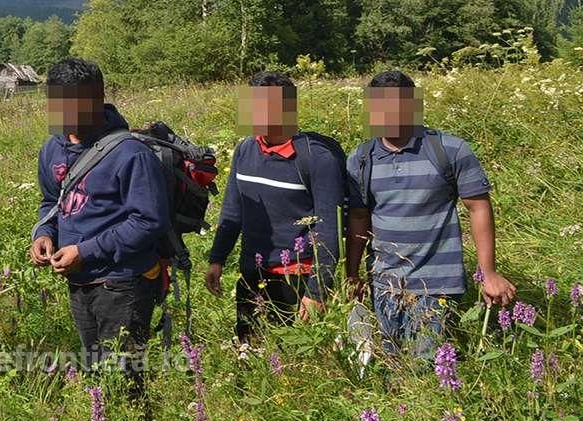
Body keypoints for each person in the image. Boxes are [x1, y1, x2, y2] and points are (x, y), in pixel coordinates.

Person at [345, 70, 515, 358]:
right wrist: (351, 274)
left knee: (425, 364)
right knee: (391, 363)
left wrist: (488, 272)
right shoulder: (361, 159)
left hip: (437, 283)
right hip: (384, 283)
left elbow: (478, 207)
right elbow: (359, 218)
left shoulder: (449, 149)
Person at [29, 58, 169, 388]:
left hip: (123, 283)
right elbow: (51, 203)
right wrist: (44, 233)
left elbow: (149, 221)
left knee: (125, 379)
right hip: (79, 281)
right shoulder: (52, 149)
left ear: (95, 99)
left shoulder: (130, 153)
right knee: (94, 371)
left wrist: (85, 250)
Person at [204, 71, 345, 342]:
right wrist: (217, 259)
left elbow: (330, 232)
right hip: (252, 274)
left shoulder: (317, 159)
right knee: (250, 353)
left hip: (298, 280)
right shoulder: (245, 150)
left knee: (298, 366)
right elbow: (233, 211)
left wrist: (317, 293)